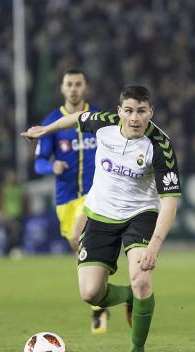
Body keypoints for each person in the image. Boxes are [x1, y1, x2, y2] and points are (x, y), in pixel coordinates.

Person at [23, 85, 181, 352]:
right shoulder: (104, 124)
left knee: (142, 279)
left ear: (150, 112)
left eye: (141, 112)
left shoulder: (161, 145)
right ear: (119, 112)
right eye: (129, 111)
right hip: (100, 214)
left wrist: (155, 246)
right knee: (91, 294)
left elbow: (169, 201)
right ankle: (129, 296)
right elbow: (76, 118)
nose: (135, 118)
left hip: (140, 214)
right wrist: (45, 130)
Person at [33, 68, 110, 334]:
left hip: (95, 194)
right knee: (77, 245)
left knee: (81, 236)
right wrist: (50, 168)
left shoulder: (98, 118)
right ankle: (100, 300)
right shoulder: (53, 121)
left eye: (78, 84)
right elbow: (39, 162)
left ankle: (99, 297)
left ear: (85, 87)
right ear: (62, 89)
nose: (74, 88)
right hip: (65, 198)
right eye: (70, 84)